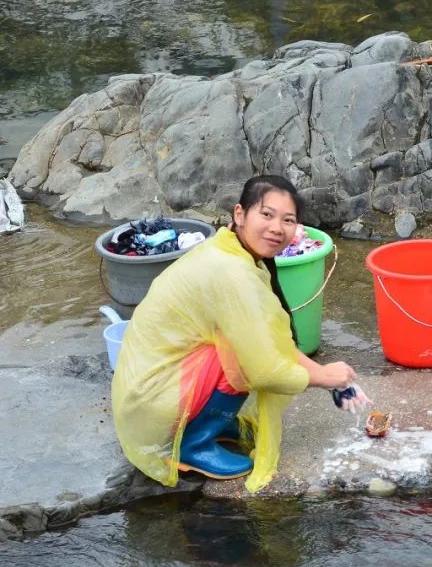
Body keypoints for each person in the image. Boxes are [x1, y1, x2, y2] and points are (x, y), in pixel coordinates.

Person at [111, 175, 367, 492]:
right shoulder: (231, 271)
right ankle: (193, 441)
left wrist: (326, 373)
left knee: (242, 345)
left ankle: (207, 420)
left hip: (148, 393)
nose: (277, 228)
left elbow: (274, 343)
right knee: (241, 357)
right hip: (152, 403)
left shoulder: (229, 250)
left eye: (288, 220)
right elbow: (264, 369)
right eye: (267, 214)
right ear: (239, 214)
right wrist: (327, 378)